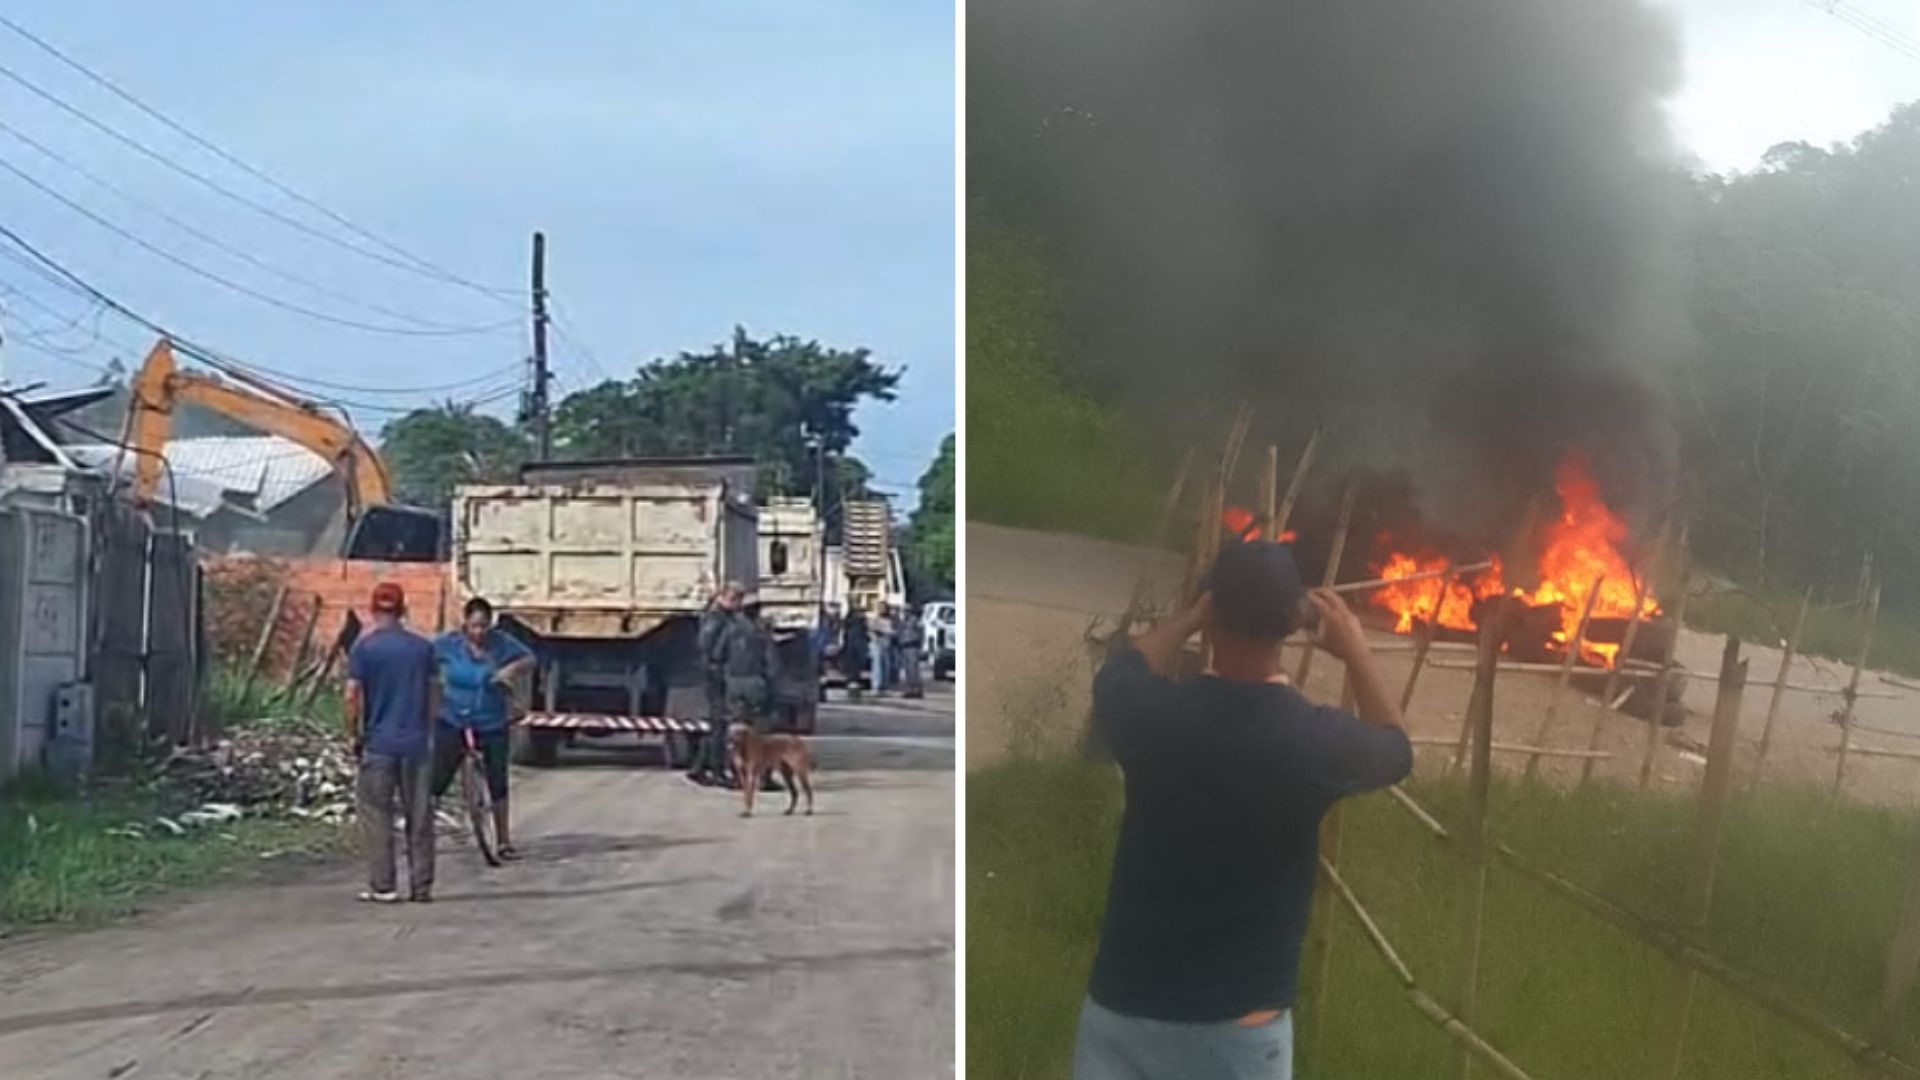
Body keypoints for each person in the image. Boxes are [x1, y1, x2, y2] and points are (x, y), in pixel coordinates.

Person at [1073, 541, 1412, 1080]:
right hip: (1240, 1031)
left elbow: (1121, 670)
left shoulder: (1151, 714)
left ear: (1212, 611)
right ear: (1294, 622)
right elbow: (1396, 750)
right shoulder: (1311, 743)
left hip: (1126, 1009)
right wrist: (1355, 653)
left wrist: (1189, 616)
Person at [345, 582, 438, 904]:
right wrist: (428, 730)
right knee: (421, 814)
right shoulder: (423, 648)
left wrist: (353, 735)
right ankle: (421, 886)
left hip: (379, 745)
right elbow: (434, 694)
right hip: (416, 744)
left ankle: (383, 885)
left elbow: (352, 696)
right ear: (403, 610)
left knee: (376, 813)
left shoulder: (364, 649)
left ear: (373, 610)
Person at [431, 597, 535, 860]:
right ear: (465, 623)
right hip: (453, 717)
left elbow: (529, 659)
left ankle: (503, 840)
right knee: (436, 781)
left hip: (491, 721)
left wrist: (510, 671)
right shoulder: (448, 644)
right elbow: (424, 660)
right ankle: (421, 833)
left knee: (497, 780)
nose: (479, 632)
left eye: (484, 626)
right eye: (474, 626)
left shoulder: (501, 643)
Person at [716, 593, 784, 791]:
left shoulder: (729, 630)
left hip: (734, 683)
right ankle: (763, 777)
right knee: (762, 732)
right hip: (756, 684)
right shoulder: (761, 632)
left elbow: (718, 655)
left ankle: (738, 776)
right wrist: (773, 685)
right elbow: (773, 664)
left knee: (736, 731)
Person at [692, 583, 745, 786]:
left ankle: (699, 768)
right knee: (719, 725)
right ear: (723, 597)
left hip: (717, 674)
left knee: (718, 724)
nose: (737, 604)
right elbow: (707, 646)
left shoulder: (721, 617)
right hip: (716, 676)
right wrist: (717, 666)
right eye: (734, 599)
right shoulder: (717, 618)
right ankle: (716, 771)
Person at [842, 605, 871, 701]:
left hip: (850, 649)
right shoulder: (860, 624)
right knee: (855, 672)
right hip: (856, 649)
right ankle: (854, 693)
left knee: (851, 673)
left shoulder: (848, 625)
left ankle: (852, 691)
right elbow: (865, 636)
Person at [895, 606, 925, 699]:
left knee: (913, 670)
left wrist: (920, 646)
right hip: (904, 647)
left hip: (912, 646)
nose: (904, 613)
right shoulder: (903, 621)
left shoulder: (914, 621)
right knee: (907, 670)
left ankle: (916, 690)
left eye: (906, 611)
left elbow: (921, 633)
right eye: (903, 611)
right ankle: (909, 690)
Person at [870, 603, 895, 694]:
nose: (882, 610)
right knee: (877, 666)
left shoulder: (890, 619)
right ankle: (876, 686)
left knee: (886, 666)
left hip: (887, 644)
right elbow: (872, 629)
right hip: (877, 644)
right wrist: (881, 631)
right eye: (880, 608)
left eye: (884, 608)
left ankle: (885, 686)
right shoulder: (875, 618)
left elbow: (893, 630)